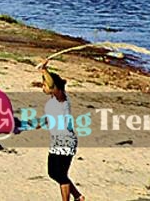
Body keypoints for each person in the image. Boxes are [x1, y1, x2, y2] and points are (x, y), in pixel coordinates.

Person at [40, 65, 84, 201]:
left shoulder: (62, 98)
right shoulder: (52, 101)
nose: (43, 87)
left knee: (60, 174)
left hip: (66, 140)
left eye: (44, 84)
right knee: (53, 172)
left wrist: (44, 70)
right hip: (56, 140)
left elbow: (52, 84)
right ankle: (78, 197)